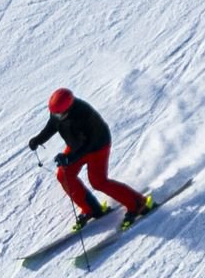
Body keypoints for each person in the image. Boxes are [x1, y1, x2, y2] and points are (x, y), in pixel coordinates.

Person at [28, 86, 152, 224]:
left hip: (96, 147)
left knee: (98, 182)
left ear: (68, 108)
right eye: (53, 113)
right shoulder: (59, 111)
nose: (55, 116)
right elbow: (53, 125)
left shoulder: (83, 116)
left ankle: (137, 204)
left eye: (58, 114)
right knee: (64, 175)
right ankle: (91, 209)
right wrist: (38, 140)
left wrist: (70, 158)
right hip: (76, 146)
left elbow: (88, 144)